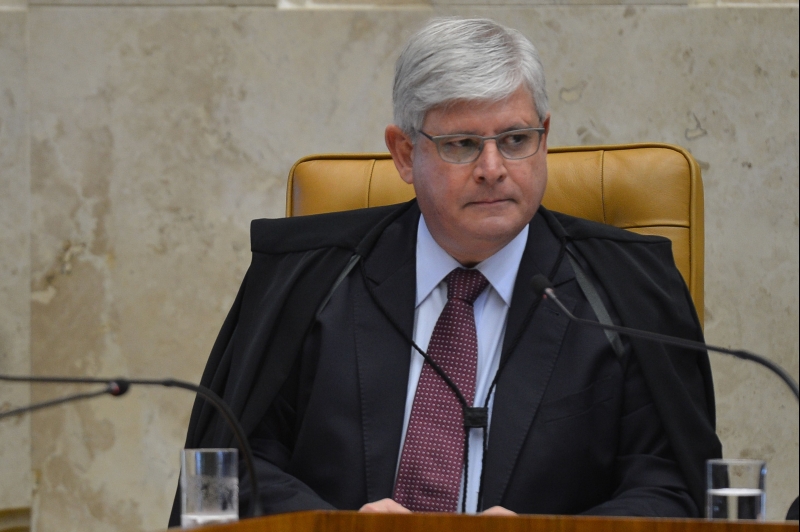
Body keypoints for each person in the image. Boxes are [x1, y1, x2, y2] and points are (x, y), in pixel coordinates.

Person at [169, 17, 721, 524]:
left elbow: (674, 487)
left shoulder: (627, 291)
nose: (492, 169)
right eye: (462, 145)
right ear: (404, 154)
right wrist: (340, 528)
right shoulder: (308, 279)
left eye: (516, 140)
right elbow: (225, 475)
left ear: (545, 137)